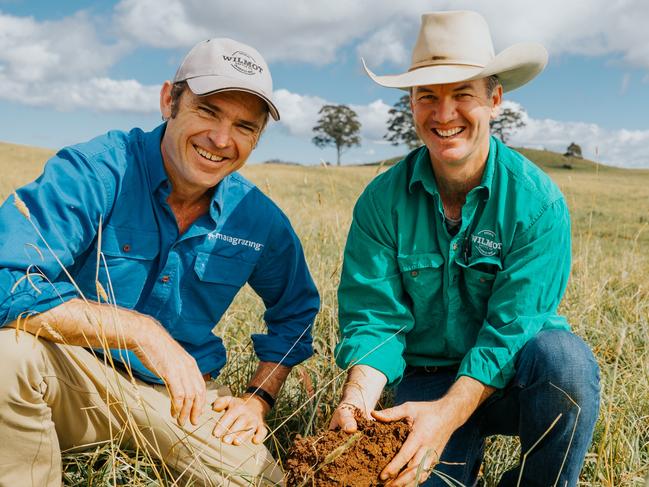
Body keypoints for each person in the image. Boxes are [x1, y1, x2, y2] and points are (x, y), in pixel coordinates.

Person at [0, 37, 319, 486]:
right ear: (170, 99)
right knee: (8, 358)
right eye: (207, 111)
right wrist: (138, 331)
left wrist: (258, 398)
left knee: (258, 480)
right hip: (71, 378)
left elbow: (297, 313)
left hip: (182, 400)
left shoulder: (258, 219)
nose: (221, 140)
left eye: (244, 126)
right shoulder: (95, 171)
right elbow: (6, 279)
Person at [331, 11, 599, 487]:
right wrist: (357, 399)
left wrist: (449, 414)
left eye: (463, 95)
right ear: (410, 105)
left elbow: (513, 329)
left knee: (569, 366)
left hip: (518, 373)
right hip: (426, 379)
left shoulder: (537, 204)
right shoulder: (380, 201)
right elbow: (375, 320)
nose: (444, 114)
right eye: (427, 97)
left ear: (494, 100)